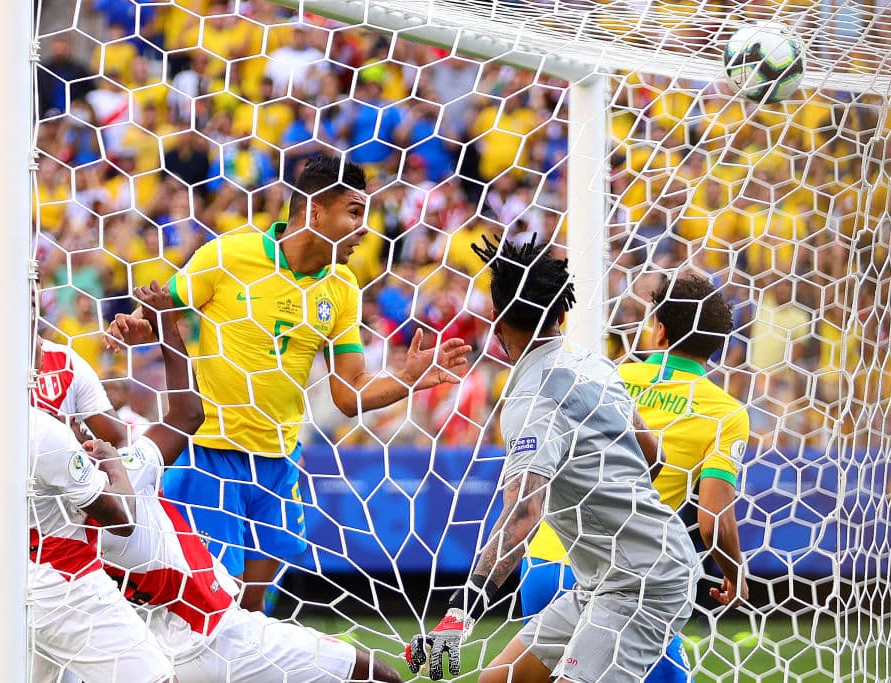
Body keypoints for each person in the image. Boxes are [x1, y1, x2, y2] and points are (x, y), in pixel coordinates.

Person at [109, 155, 471, 611]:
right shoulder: (228, 255)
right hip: (211, 455)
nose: (365, 228)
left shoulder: (341, 286)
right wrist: (130, 326)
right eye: (355, 213)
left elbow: (349, 393)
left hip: (280, 460)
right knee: (213, 605)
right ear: (316, 211)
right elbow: (161, 314)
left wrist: (406, 379)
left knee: (254, 608)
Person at [406, 236, 700, 683]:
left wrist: (457, 619)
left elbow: (524, 514)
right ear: (563, 313)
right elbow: (652, 456)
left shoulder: (530, 398)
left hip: (643, 582)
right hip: (603, 579)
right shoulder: (597, 365)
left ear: (497, 320)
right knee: (498, 680)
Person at [100, 282, 401, 682]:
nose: (92, 443)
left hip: (175, 645)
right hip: (213, 635)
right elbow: (187, 416)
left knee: (253, 600)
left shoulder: (77, 516)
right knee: (377, 674)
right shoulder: (129, 477)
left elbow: (183, 416)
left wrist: (161, 323)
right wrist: (166, 324)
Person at [518, 273, 752, 682]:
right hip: (632, 575)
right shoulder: (724, 412)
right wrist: (735, 576)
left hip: (545, 562)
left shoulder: (608, 376)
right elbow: (713, 521)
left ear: (659, 331)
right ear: (718, 345)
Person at [0, 298, 176, 682]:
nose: (42, 345)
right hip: (68, 583)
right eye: (32, 336)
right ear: (7, 345)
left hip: (3, 583)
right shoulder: (44, 432)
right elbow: (122, 521)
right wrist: (111, 461)